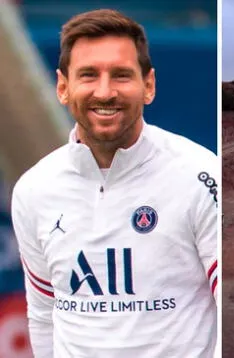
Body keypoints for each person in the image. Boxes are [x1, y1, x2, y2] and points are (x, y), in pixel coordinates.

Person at [10, 9, 218, 358]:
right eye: (88, 75)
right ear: (63, 87)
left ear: (148, 85)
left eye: (121, 75)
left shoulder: (199, 174)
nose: (105, 92)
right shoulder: (33, 190)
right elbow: (45, 314)